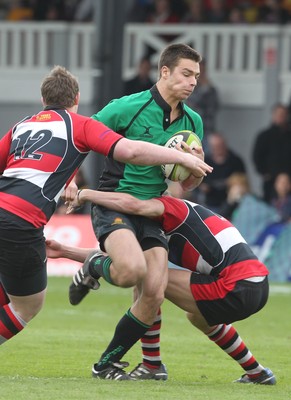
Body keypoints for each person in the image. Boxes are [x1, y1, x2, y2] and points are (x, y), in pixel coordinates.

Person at [0, 65, 211, 348]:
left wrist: (67, 179)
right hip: (21, 220)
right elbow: (132, 150)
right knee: (27, 305)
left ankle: (151, 365)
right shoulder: (81, 125)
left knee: (8, 290)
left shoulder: (21, 126)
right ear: (77, 99)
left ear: (43, 101)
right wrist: (181, 158)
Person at [68, 43, 212, 380]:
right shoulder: (127, 107)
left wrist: (194, 165)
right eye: (186, 74)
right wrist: (71, 180)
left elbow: (188, 186)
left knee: (154, 292)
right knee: (132, 270)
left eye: (197, 77)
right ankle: (94, 263)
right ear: (165, 72)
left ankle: (107, 364)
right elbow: (79, 137)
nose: (193, 82)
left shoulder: (193, 122)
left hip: (152, 211)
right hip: (113, 203)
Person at [46, 190, 276, 385]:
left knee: (149, 280)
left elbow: (131, 204)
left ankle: (151, 365)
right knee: (197, 317)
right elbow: (125, 259)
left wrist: (86, 194)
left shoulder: (170, 208)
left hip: (236, 285)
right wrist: (65, 251)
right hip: (256, 284)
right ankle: (257, 372)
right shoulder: (181, 215)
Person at [196, 132, 246, 214]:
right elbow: (197, 182)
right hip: (211, 203)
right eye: (215, 146)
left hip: (232, 203)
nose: (218, 149)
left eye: (220, 145)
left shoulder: (235, 160)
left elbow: (243, 181)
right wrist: (203, 186)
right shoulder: (205, 161)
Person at [252, 103, 291, 203]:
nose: (281, 117)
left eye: (283, 114)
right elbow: (257, 157)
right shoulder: (264, 136)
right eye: (279, 114)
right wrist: (265, 173)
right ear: (273, 115)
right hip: (270, 181)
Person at [185, 59, 219, 151]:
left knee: (207, 157)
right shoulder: (189, 88)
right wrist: (204, 89)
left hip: (207, 129)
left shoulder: (211, 89)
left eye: (203, 71)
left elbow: (215, 106)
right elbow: (192, 104)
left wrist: (206, 88)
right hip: (192, 130)